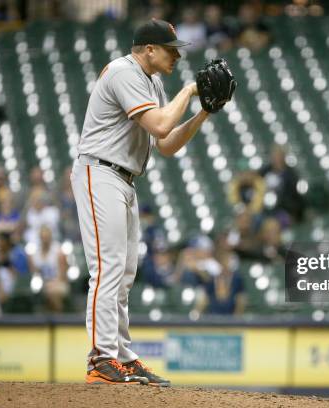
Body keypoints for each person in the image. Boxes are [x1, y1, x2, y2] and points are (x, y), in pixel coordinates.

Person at [71, 19, 226, 385]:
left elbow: (167, 144)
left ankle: (122, 356)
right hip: (100, 172)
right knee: (107, 268)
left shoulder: (152, 82)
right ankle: (101, 358)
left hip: (123, 180)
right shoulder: (124, 71)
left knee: (124, 273)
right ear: (149, 49)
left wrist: (203, 111)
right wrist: (189, 90)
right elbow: (158, 126)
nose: (176, 55)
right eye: (171, 48)